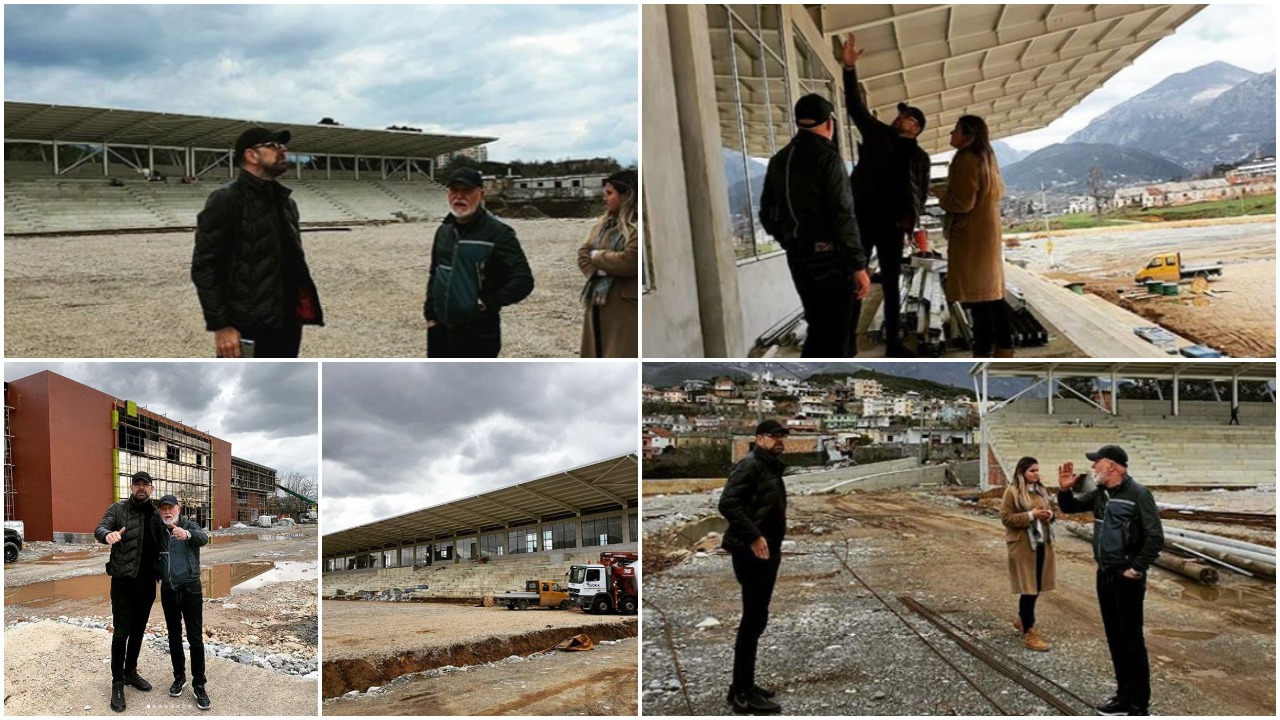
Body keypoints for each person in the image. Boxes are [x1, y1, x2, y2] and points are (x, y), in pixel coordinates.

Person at [192, 127, 325, 358]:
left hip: (288, 323)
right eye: (273, 146)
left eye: (283, 146)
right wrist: (221, 326)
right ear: (251, 155)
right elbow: (205, 266)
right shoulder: (226, 199)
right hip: (247, 325)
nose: (283, 150)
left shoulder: (286, 202)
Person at [840, 33, 931, 357]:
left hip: (892, 226)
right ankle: (846, 343)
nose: (900, 116)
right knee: (856, 279)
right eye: (901, 113)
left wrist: (910, 222)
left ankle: (893, 343)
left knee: (891, 284)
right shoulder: (876, 132)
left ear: (915, 128)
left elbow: (919, 194)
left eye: (906, 115)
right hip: (861, 219)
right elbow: (854, 106)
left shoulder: (920, 158)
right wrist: (849, 68)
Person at [759, 94, 870, 358]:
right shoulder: (827, 158)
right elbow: (843, 213)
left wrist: (790, 240)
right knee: (835, 335)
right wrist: (858, 264)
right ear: (830, 123)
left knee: (819, 326)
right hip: (831, 258)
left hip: (798, 256)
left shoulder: (779, 160)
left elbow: (766, 213)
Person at [1057, 445, 1163, 716]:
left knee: (1131, 641)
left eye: (1097, 463)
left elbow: (1155, 537)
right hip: (1104, 574)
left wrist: (1136, 569)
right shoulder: (1101, 494)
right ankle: (1123, 697)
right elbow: (1070, 507)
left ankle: (1139, 705)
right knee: (1115, 638)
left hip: (1126, 577)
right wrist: (1064, 489)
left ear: (1113, 466)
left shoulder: (1139, 494)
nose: (1093, 468)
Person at [718, 420, 790, 714]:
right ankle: (743, 695)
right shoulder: (750, 465)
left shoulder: (769, 466)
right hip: (753, 552)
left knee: (757, 619)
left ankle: (741, 685)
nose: (780, 441)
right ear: (760, 438)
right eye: (775, 436)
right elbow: (727, 503)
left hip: (766, 549)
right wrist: (755, 536)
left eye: (782, 436)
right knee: (752, 621)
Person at [424, 167, 534, 357]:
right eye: (454, 191)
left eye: (466, 191)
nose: (459, 197)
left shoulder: (498, 233)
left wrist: (486, 303)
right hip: (440, 331)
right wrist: (431, 316)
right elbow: (435, 273)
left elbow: (523, 280)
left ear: (481, 194)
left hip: (478, 333)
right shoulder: (443, 231)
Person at [932, 114, 1012, 358]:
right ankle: (1001, 347)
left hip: (971, 237)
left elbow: (963, 203)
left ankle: (985, 348)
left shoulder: (966, 159)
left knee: (980, 298)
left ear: (968, 135)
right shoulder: (987, 158)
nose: (951, 135)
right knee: (990, 295)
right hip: (984, 235)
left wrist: (942, 194)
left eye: (955, 130)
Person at [95, 471, 164, 712]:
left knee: (138, 631)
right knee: (121, 631)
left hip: (147, 584)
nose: (141, 488)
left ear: (152, 489)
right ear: (131, 487)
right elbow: (100, 528)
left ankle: (130, 671)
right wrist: (108, 535)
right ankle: (117, 683)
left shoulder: (156, 514)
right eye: (137, 484)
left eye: (146, 484)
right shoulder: (118, 509)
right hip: (123, 583)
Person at [156, 495, 212, 711]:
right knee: (173, 637)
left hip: (191, 589)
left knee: (195, 639)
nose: (167, 512)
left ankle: (199, 685)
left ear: (178, 509)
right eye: (163, 509)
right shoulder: (158, 530)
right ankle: (179, 677)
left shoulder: (190, 525)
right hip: (169, 589)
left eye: (170, 508)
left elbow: (203, 538)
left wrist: (187, 534)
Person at [577, 170, 638, 358]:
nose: (605, 199)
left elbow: (630, 261)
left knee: (617, 354)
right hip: (596, 303)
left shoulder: (636, 227)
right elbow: (582, 255)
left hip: (624, 309)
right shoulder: (603, 226)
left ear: (626, 195)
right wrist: (601, 270)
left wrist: (597, 256)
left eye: (609, 193)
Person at [1000, 457, 1057, 652]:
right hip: (1023, 546)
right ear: (1022, 472)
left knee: (1038, 585)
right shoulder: (1013, 492)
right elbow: (1006, 518)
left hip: (1041, 544)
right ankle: (1029, 631)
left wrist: (1049, 515)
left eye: (1037, 470)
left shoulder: (1041, 491)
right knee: (1029, 588)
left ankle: (1022, 618)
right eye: (1032, 470)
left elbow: (1050, 510)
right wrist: (1031, 515)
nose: (1036, 474)